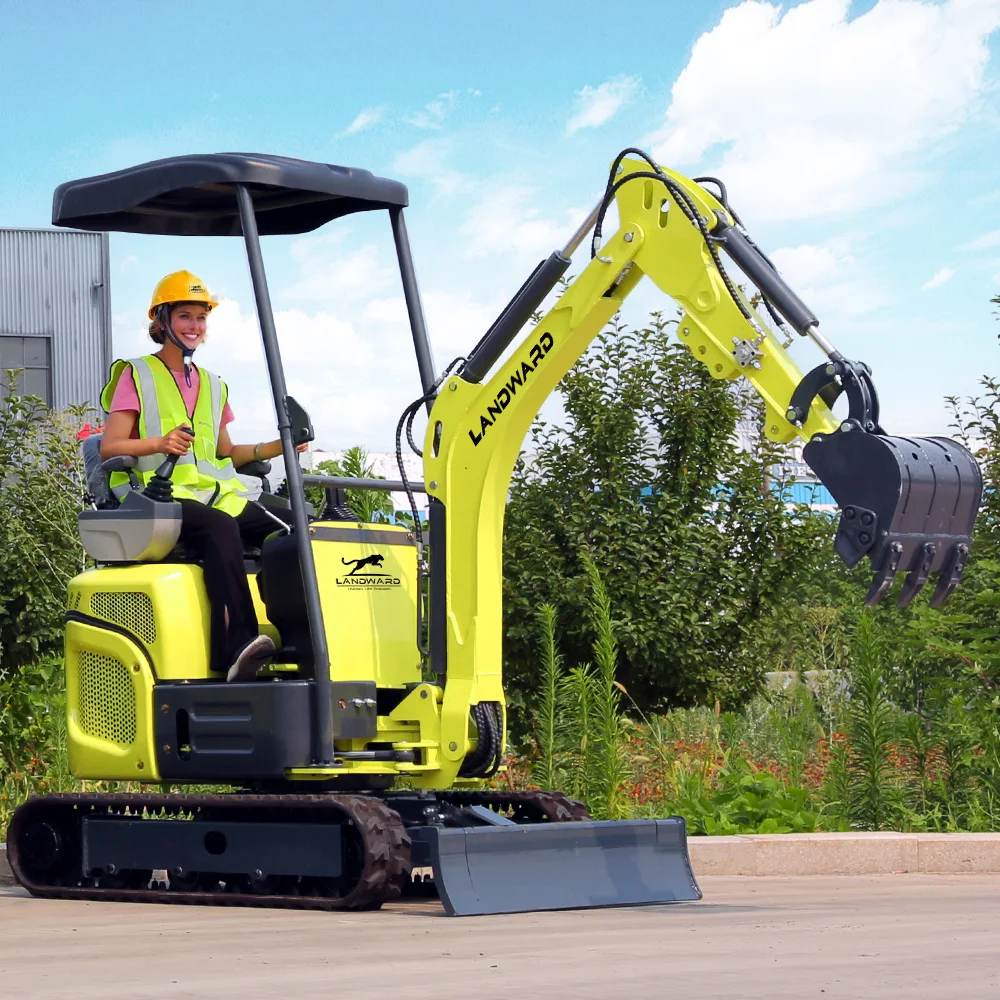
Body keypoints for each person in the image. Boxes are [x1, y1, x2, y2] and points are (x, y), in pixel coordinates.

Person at [99, 270, 304, 682]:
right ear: (161, 321)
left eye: (201, 318)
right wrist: (159, 443)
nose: (194, 326)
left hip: (211, 493)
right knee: (220, 527)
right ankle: (237, 647)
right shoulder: (136, 374)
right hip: (152, 498)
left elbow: (226, 452)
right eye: (185, 316)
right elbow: (110, 448)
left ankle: (301, 636)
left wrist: (279, 445)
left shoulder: (213, 384)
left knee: (297, 525)